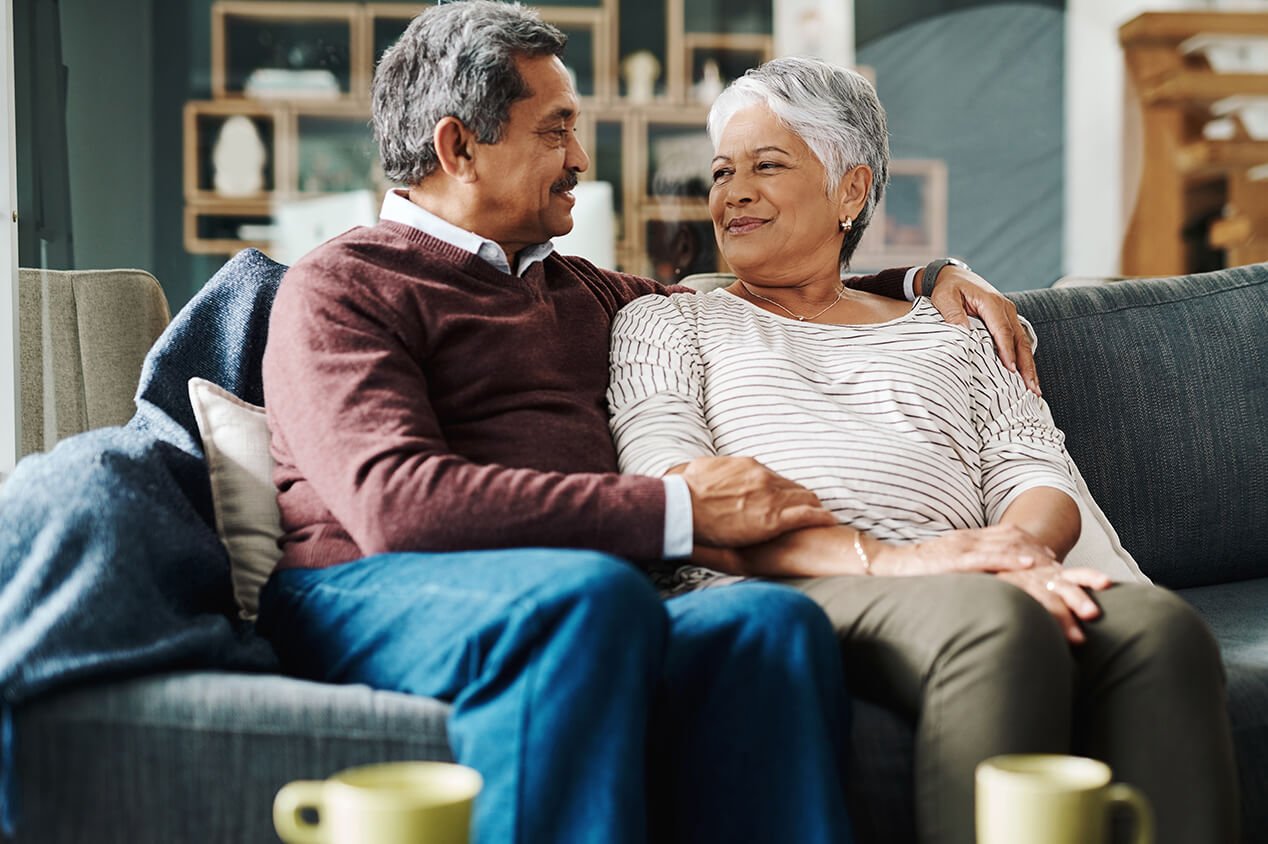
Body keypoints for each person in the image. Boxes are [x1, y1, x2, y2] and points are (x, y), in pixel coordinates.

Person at [258, 3, 1044, 842]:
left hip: (580, 594)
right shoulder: (341, 284)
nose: (580, 160)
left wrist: (923, 278)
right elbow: (398, 506)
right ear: (458, 149)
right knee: (592, 596)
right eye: (555, 132)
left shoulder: (582, 292)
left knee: (769, 622)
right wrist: (678, 514)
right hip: (369, 589)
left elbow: (765, 294)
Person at [606, 57, 1239, 844]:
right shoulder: (669, 324)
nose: (732, 192)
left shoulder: (954, 327)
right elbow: (674, 487)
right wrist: (928, 566)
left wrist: (1011, 549)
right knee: (994, 621)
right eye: (723, 171)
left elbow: (1033, 470)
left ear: (850, 190)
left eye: (767, 165)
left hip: (966, 572)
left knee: (1156, 629)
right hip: (790, 577)